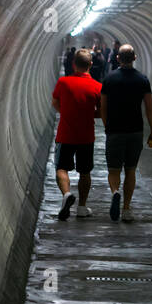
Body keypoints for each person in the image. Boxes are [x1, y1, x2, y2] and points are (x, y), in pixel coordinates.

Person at [100, 44, 152, 222]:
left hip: (115, 131)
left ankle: (115, 192)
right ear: (135, 58)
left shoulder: (109, 79)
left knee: (113, 170)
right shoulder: (142, 80)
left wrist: (107, 126)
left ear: (117, 59)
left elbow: (103, 107)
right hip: (135, 132)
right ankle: (126, 208)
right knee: (131, 170)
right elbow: (149, 108)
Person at [51, 48, 102, 220]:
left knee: (61, 168)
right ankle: (82, 207)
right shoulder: (97, 87)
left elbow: (55, 102)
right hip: (86, 136)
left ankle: (66, 194)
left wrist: (66, 113)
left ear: (73, 64)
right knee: (85, 172)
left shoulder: (63, 82)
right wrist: (88, 113)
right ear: (91, 65)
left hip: (66, 134)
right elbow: (102, 112)